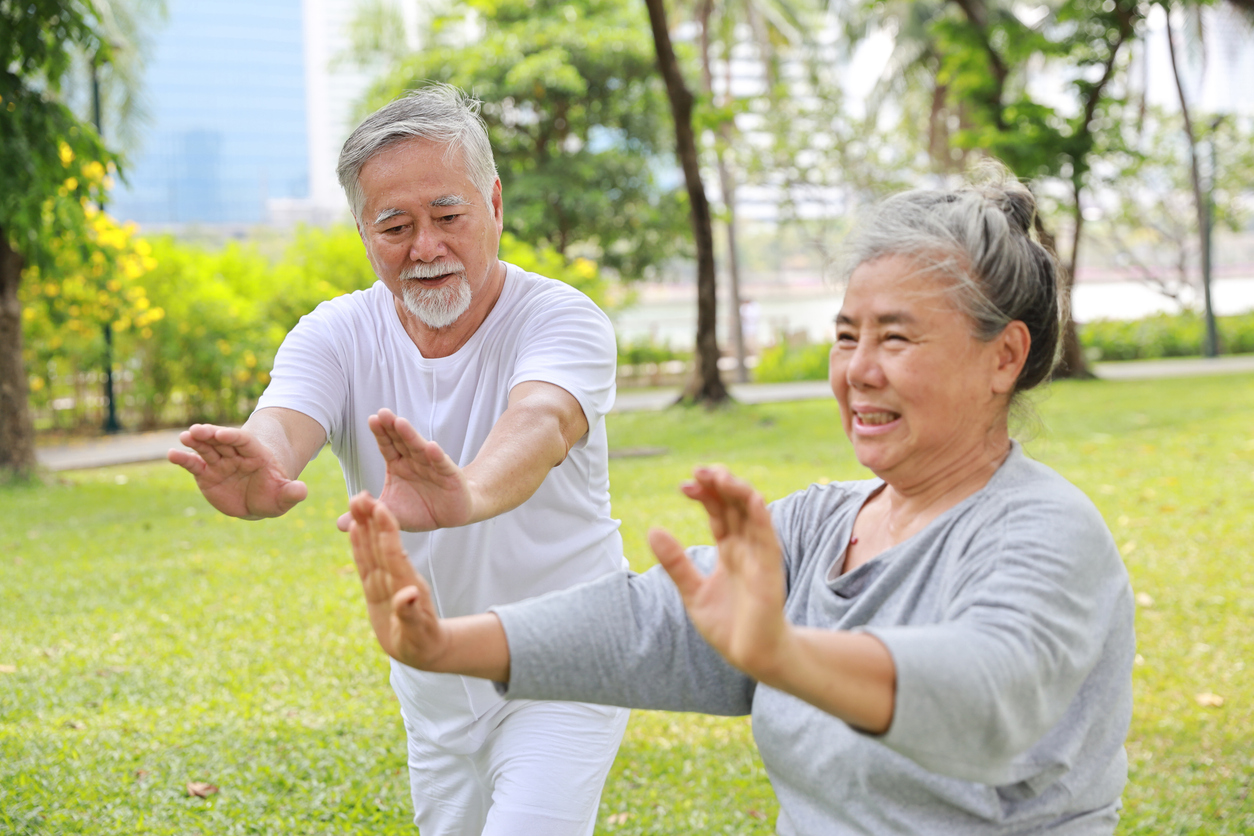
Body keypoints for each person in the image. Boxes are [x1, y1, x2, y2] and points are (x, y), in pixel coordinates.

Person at [345, 173, 1136, 834]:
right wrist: (444, 644)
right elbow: (650, 625)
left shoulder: (1046, 532)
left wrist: (785, 656)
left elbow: (986, 697)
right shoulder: (822, 524)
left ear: (1004, 357)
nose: (858, 370)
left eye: (895, 339)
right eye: (846, 335)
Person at [167, 85, 629, 836]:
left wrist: (465, 492)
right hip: (433, 682)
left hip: (567, 661)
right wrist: (263, 457)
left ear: (495, 204)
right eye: (395, 226)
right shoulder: (335, 334)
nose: (426, 248)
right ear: (362, 231)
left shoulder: (560, 318)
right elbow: (286, 421)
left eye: (449, 217)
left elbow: (541, 423)